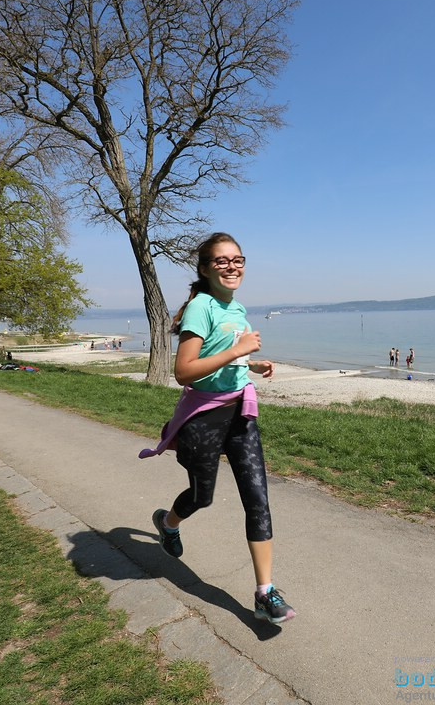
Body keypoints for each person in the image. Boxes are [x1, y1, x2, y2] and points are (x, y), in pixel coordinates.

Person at [138, 232, 295, 625]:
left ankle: (265, 592)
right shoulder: (200, 308)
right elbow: (183, 371)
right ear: (206, 269)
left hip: (240, 412)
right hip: (203, 418)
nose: (232, 266)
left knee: (257, 499)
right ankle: (167, 522)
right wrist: (238, 351)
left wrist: (251, 365)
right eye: (222, 261)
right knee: (201, 496)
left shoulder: (236, 309)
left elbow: (225, 360)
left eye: (237, 260)